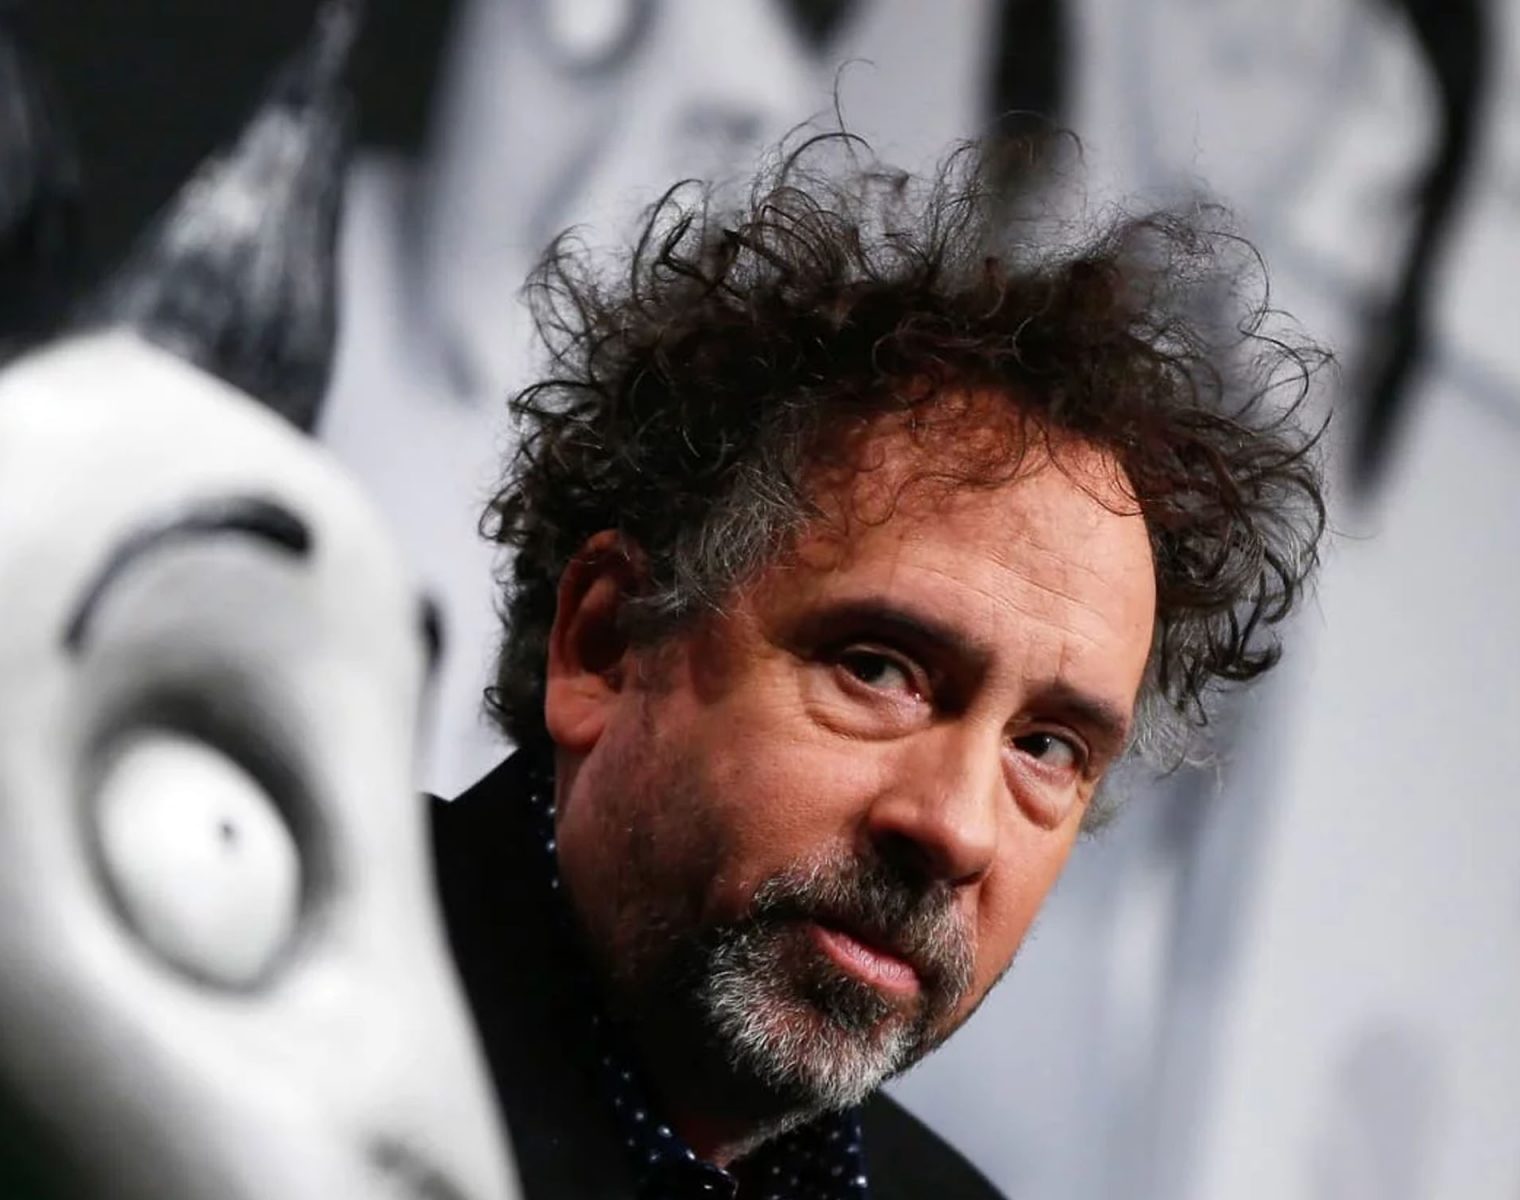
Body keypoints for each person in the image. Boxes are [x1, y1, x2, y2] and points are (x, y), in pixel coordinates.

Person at [432, 137, 1328, 1200]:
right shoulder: (288, 982)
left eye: (1046, 748)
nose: (956, 829)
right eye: (879, 670)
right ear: (609, 643)